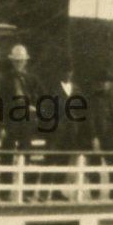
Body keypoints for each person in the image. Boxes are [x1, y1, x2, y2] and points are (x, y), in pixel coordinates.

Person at [46, 68, 92, 197]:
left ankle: (57, 192)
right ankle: (44, 192)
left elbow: (82, 109)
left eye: (70, 71)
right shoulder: (53, 89)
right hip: (56, 132)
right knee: (50, 161)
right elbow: (47, 110)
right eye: (65, 71)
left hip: (70, 132)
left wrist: (77, 123)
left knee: (64, 162)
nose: (68, 74)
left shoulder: (76, 90)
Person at [0, 44, 44, 152]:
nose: (18, 64)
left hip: (27, 119)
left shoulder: (32, 79)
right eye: (16, 61)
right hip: (10, 119)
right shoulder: (4, 80)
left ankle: (24, 163)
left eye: (21, 61)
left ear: (25, 62)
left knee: (25, 149)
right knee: (7, 150)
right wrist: (1, 125)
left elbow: (41, 97)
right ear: (12, 62)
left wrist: (35, 108)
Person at [87, 72, 113, 198]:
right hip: (97, 137)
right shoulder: (91, 100)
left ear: (109, 84)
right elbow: (90, 120)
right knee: (94, 167)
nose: (103, 84)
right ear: (96, 83)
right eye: (101, 81)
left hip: (111, 138)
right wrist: (93, 137)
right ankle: (95, 193)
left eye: (106, 82)